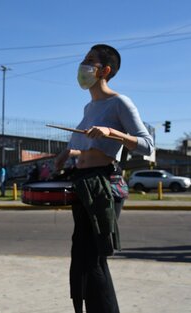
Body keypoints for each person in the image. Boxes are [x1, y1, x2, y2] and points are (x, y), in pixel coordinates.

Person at [54, 44, 154, 313]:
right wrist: (67, 153)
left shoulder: (120, 102)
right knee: (84, 257)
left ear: (105, 70)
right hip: (83, 181)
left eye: (89, 61)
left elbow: (147, 145)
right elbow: (89, 146)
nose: (82, 66)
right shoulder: (90, 106)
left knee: (93, 260)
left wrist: (114, 132)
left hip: (103, 185)